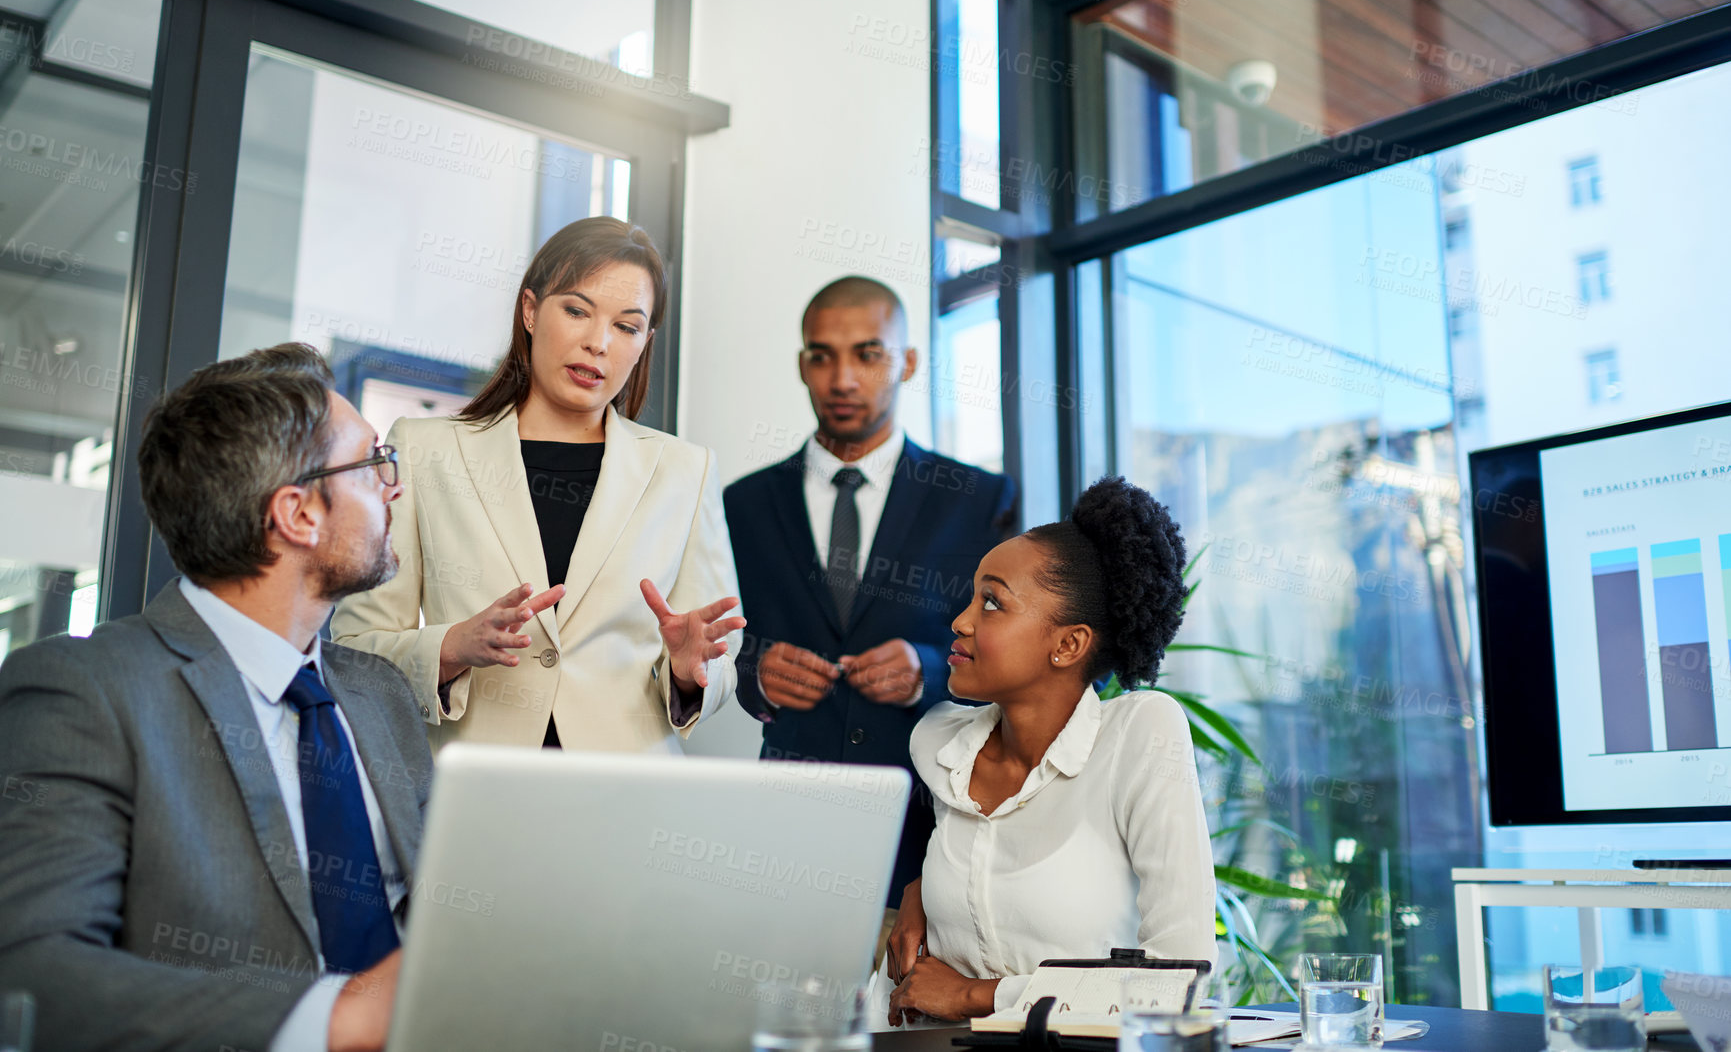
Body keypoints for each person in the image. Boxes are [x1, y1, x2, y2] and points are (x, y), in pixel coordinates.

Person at [0, 344, 427, 1052]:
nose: (394, 486)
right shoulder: (83, 692)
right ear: (298, 514)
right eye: (373, 461)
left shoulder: (378, 692)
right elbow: (31, 975)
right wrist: (338, 1017)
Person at [333, 217, 745, 753]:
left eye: (626, 326)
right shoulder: (424, 450)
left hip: (625, 803)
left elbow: (720, 659)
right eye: (576, 310)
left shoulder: (686, 471)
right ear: (530, 310)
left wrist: (692, 675)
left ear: (645, 342)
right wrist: (453, 646)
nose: (598, 343)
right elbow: (354, 655)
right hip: (476, 794)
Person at [725, 275, 1016, 907]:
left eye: (868, 353)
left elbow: (1020, 654)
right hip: (788, 831)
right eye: (822, 356)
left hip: (933, 832)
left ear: (908, 362)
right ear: (803, 365)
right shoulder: (742, 503)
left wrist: (929, 669)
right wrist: (754, 671)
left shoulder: (981, 501)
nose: (844, 380)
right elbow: (721, 644)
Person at [885, 476, 1218, 1024]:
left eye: (992, 602)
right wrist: (923, 888)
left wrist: (978, 995)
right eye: (973, 597)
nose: (961, 621)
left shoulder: (1138, 735)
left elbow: (1178, 979)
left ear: (1068, 644)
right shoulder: (941, 744)